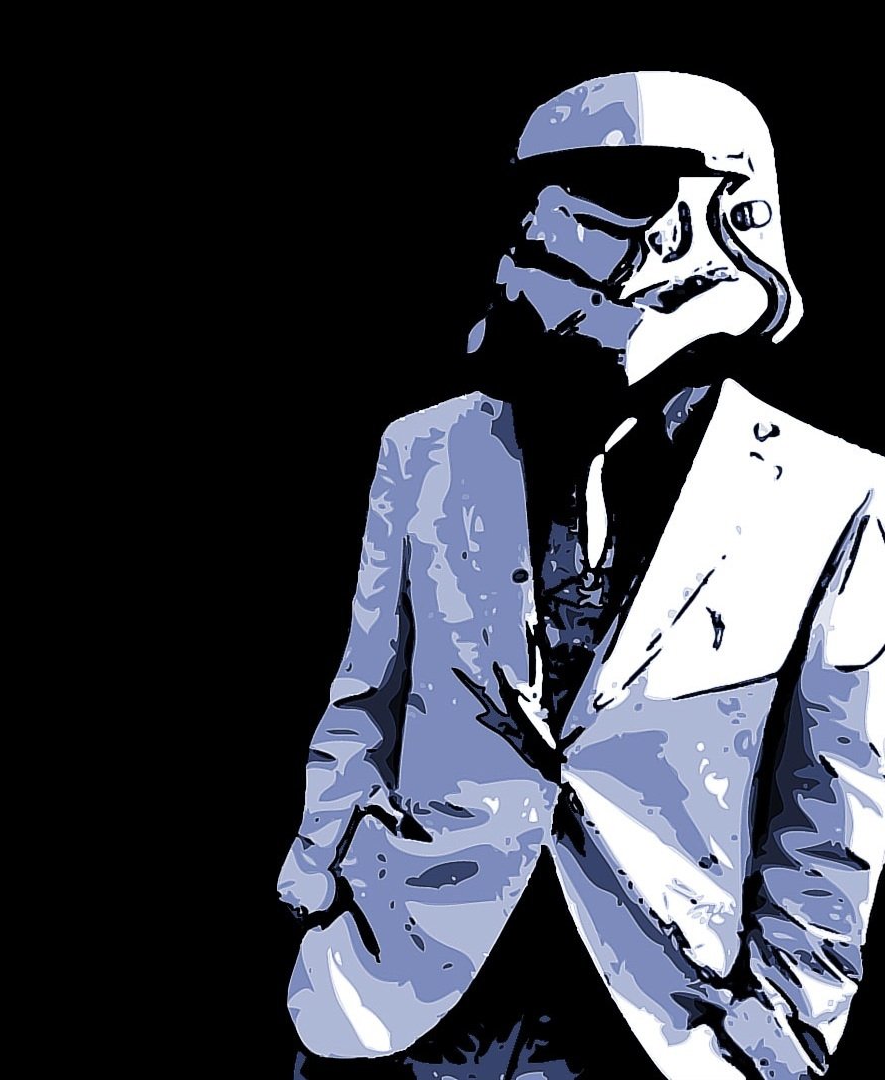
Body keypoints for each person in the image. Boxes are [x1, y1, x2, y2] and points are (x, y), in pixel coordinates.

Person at [276, 71, 885, 1079]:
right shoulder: (423, 451)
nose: (547, 229)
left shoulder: (833, 492)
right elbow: (365, 696)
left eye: (616, 192)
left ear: (731, 215)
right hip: (402, 998)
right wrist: (318, 895)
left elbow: (833, 796)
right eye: (542, 192)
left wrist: (782, 1030)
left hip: (663, 1028)